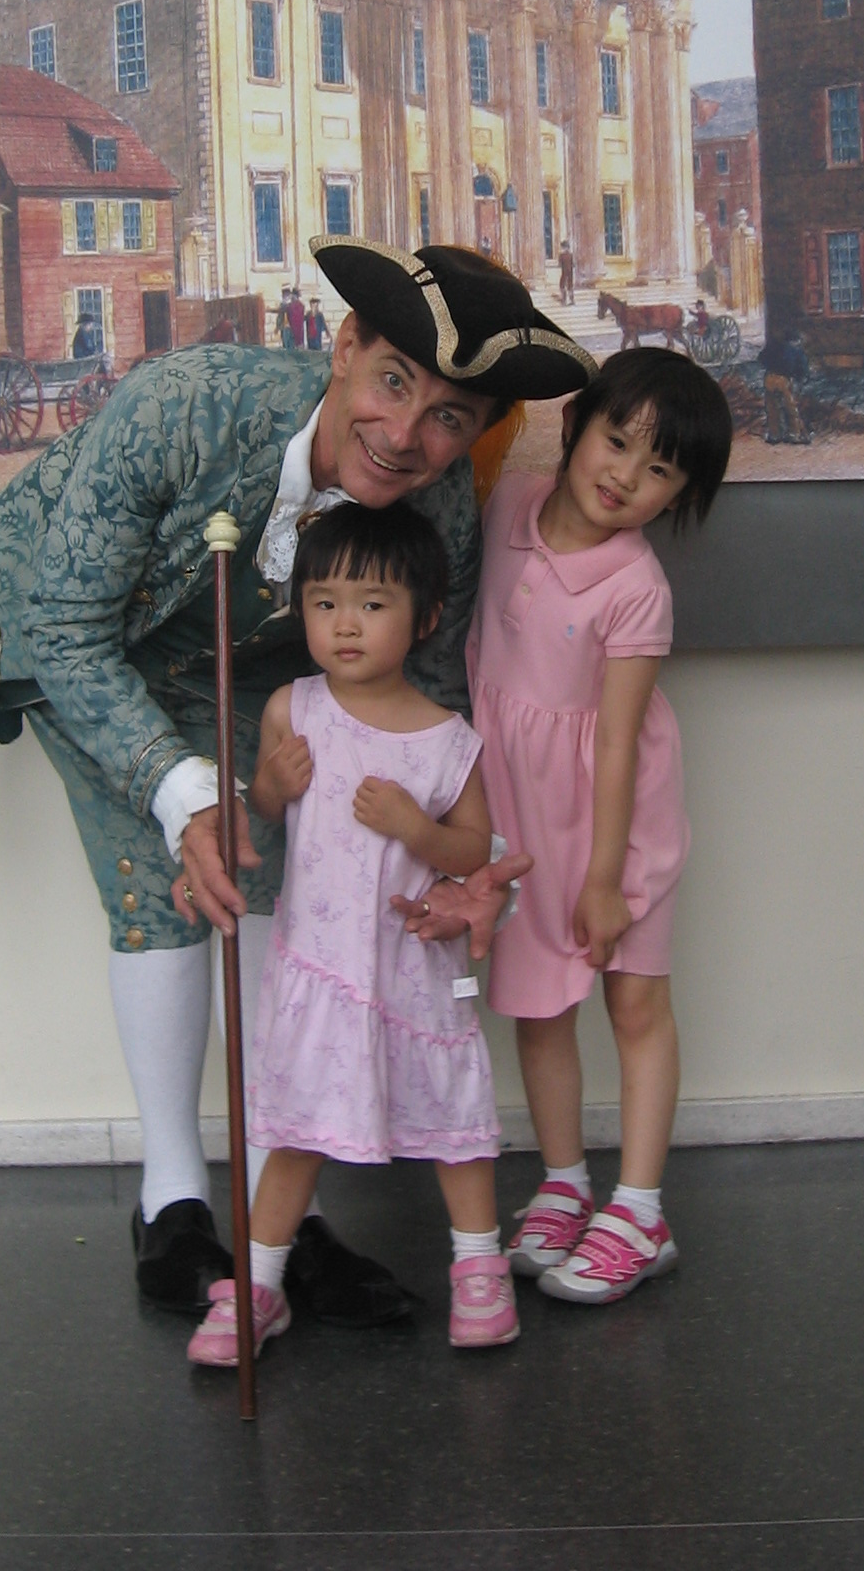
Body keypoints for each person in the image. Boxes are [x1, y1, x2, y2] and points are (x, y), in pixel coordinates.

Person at [0, 240, 592, 1325]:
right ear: (346, 345)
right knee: (164, 886)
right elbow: (68, 627)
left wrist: (450, 861)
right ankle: (174, 1201)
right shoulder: (182, 406)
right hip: (94, 642)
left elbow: (419, 706)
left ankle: (285, 1218)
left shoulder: (440, 514)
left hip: (260, 673)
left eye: (450, 418)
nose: (405, 435)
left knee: (294, 888)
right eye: (393, 383)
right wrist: (185, 794)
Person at [187, 503, 514, 1366]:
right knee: (294, 1131)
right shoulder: (293, 710)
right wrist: (269, 784)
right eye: (324, 602)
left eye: (372, 605)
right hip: (321, 967)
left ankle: (480, 1270)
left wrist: (416, 829)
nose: (344, 624)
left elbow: (473, 850)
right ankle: (260, 1284)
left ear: (425, 617)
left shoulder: (448, 742)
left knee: (452, 1125)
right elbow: (264, 814)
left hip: (413, 969)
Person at [467, 349, 732, 1304]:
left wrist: (606, 878)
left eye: (658, 470)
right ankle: (564, 1184)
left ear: (680, 495)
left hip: (619, 823)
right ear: (576, 424)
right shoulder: (509, 505)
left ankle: (641, 1210)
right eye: (616, 442)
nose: (624, 476)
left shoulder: (636, 587)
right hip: (521, 816)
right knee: (539, 1005)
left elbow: (616, 742)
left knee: (633, 1004)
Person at [758, 330, 811, 444]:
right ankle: (794, 435)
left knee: (772, 408)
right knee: (791, 409)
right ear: (796, 341)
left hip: (769, 378)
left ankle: (774, 435)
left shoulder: (774, 347)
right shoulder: (797, 351)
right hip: (784, 380)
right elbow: (802, 369)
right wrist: (800, 380)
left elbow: (761, 358)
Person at [557, 238, 576, 307]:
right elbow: (573, 264)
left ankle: (564, 301)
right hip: (570, 273)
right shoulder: (570, 255)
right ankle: (572, 300)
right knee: (570, 286)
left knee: (562, 286)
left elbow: (559, 264)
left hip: (564, 273)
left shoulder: (561, 255)